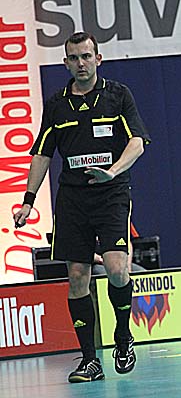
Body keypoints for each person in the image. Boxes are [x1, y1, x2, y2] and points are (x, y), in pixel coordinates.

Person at [13, 32, 150, 383]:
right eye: (74, 58)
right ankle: (90, 360)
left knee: (117, 268)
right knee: (77, 276)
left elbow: (137, 142)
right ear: (66, 63)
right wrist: (28, 201)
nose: (81, 63)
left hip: (111, 193)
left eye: (86, 56)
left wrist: (112, 172)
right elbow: (42, 154)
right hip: (73, 199)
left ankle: (123, 336)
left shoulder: (118, 95)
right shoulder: (57, 104)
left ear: (98, 59)